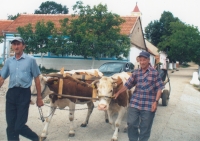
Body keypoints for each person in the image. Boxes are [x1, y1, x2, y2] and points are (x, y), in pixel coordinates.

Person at [114, 51, 164, 141]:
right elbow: (127, 85)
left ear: (148, 60)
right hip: (135, 102)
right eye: (140, 60)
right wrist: (118, 92)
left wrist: (156, 102)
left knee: (145, 126)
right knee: (131, 123)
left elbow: (159, 88)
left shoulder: (154, 73)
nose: (142, 62)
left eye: (144, 60)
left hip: (149, 104)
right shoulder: (136, 72)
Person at [0, 37, 44, 141]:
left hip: (24, 94)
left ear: (23, 46)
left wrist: (39, 98)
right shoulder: (9, 61)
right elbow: (2, 78)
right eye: (14, 44)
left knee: (19, 126)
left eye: (18, 44)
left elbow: (37, 79)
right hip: (11, 94)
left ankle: (36, 138)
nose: (16, 46)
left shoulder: (31, 60)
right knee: (10, 126)